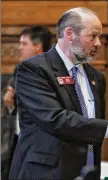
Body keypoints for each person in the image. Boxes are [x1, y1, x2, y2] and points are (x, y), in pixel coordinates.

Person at [9, 7, 108, 180]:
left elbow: (91, 125)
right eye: (93, 36)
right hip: (46, 173)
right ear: (70, 34)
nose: (99, 43)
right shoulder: (33, 69)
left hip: (88, 172)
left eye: (99, 37)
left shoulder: (97, 77)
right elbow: (56, 119)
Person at [1, 25, 52, 180]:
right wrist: (10, 105)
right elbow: (14, 108)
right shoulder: (19, 70)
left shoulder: (52, 73)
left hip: (41, 145)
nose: (19, 48)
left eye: (24, 44)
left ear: (38, 46)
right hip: (16, 139)